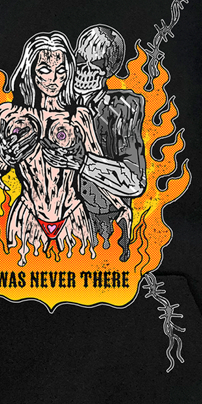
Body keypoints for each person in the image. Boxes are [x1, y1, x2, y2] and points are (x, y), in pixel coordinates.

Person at [0, 33, 101, 261]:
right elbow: (2, 159)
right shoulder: (7, 114)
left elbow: (97, 169)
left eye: (61, 70)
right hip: (27, 213)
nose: (54, 78)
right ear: (31, 71)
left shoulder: (79, 117)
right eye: (45, 69)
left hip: (72, 212)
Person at [72, 24, 147, 260]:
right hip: (66, 225)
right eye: (80, 62)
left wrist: (84, 163)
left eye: (95, 65)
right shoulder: (58, 102)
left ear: (109, 70)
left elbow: (134, 181)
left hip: (109, 225)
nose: (84, 71)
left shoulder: (123, 107)